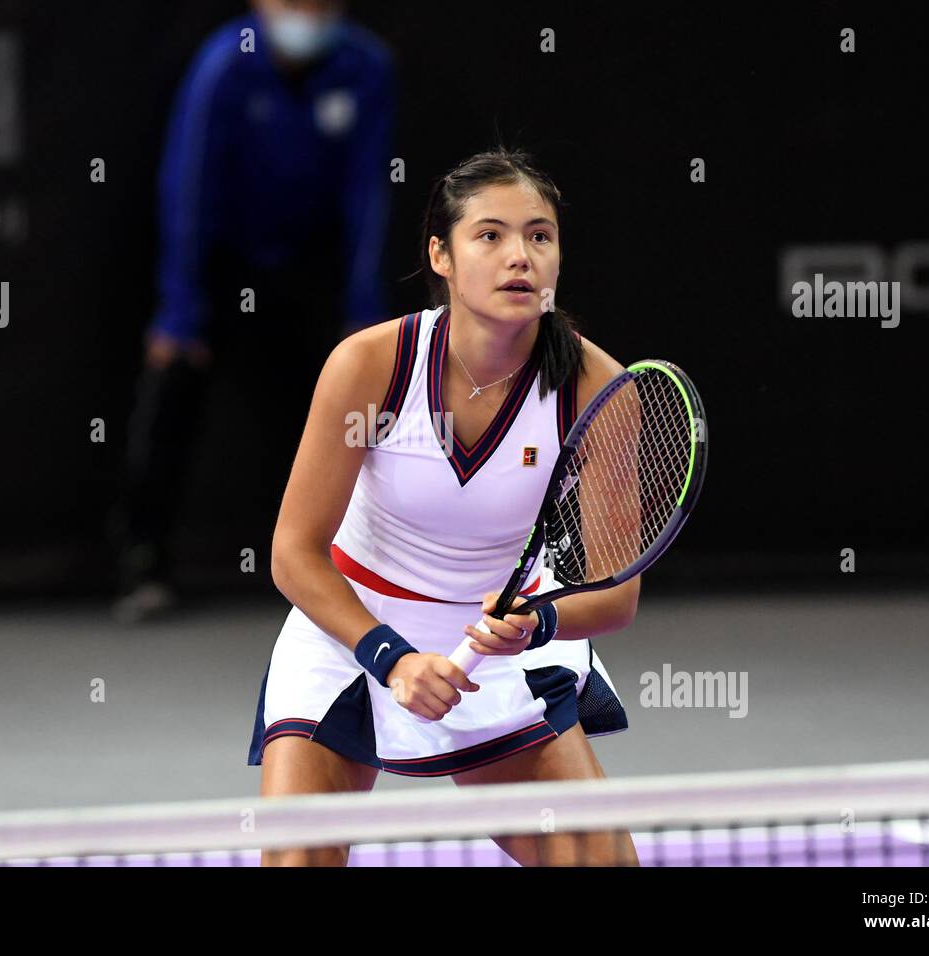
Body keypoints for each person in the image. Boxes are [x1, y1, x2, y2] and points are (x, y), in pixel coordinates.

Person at [249, 148, 642, 866]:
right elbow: (293, 552)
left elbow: (616, 595)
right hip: (352, 635)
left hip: (499, 649)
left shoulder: (598, 387)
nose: (519, 255)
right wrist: (391, 658)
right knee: (295, 863)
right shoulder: (371, 366)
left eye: (539, 236)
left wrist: (537, 620)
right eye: (490, 235)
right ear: (442, 255)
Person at [111, 0, 394, 621]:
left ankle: (353, 570)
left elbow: (366, 194)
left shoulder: (367, 67)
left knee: (348, 404)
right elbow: (189, 189)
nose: (305, 14)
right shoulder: (223, 66)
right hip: (222, 263)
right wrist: (182, 309)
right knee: (170, 391)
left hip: (309, 267)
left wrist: (362, 308)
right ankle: (143, 564)